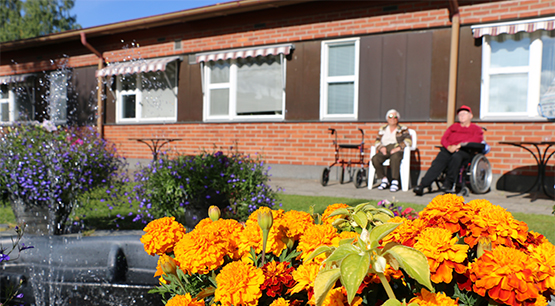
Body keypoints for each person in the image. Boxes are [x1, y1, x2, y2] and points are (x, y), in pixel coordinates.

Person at [413, 105, 483, 196]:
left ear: (471, 116)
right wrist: (449, 146)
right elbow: (444, 139)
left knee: (456, 157)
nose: (462, 116)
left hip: (465, 151)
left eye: (464, 114)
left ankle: (448, 183)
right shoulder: (453, 127)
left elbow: (477, 141)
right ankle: (423, 185)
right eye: (460, 114)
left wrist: (460, 145)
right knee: (439, 161)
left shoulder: (476, 129)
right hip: (449, 149)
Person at [371, 109, 412, 192]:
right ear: (387, 118)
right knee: (375, 159)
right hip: (385, 148)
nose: (392, 118)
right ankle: (384, 179)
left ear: (398, 119)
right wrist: (381, 147)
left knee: (395, 158)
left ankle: (395, 181)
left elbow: (408, 140)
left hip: (396, 148)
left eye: (395, 117)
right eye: (390, 116)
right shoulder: (382, 129)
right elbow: (377, 141)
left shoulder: (403, 128)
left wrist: (399, 148)